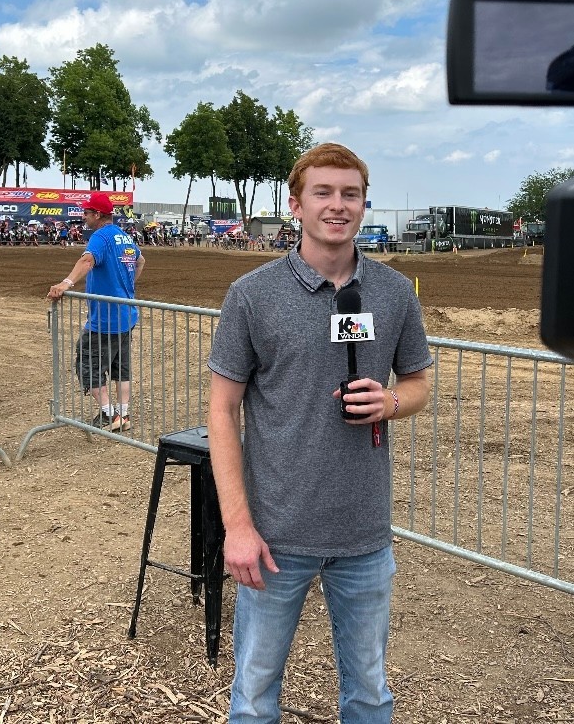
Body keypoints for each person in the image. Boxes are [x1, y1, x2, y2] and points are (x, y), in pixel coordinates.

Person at [207, 142, 433, 723]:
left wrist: (390, 402)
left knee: (370, 694)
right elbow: (222, 411)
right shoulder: (252, 295)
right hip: (275, 537)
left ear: (363, 204)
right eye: (323, 193)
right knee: (255, 698)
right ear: (296, 205)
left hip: (364, 535)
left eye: (350, 194)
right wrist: (237, 526)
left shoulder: (393, 292)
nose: (338, 206)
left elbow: (418, 384)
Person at [47, 191, 145, 433]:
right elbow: (141, 261)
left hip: (105, 317)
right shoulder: (124, 236)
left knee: (88, 363)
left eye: (87, 212)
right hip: (125, 313)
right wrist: (127, 288)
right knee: (120, 366)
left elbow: (87, 261)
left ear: (98, 214)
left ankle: (108, 414)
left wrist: (65, 283)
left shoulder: (100, 237)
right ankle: (123, 414)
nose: (84, 217)